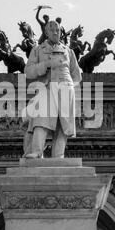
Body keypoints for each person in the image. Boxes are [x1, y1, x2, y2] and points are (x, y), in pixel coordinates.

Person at [23, 20, 81, 158]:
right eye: (52, 30)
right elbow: (28, 72)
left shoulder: (69, 51)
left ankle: (58, 156)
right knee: (40, 120)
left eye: (58, 30)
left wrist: (68, 86)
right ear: (46, 32)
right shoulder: (38, 50)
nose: (56, 33)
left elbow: (76, 75)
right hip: (47, 88)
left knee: (63, 125)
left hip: (66, 88)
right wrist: (46, 65)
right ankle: (36, 152)